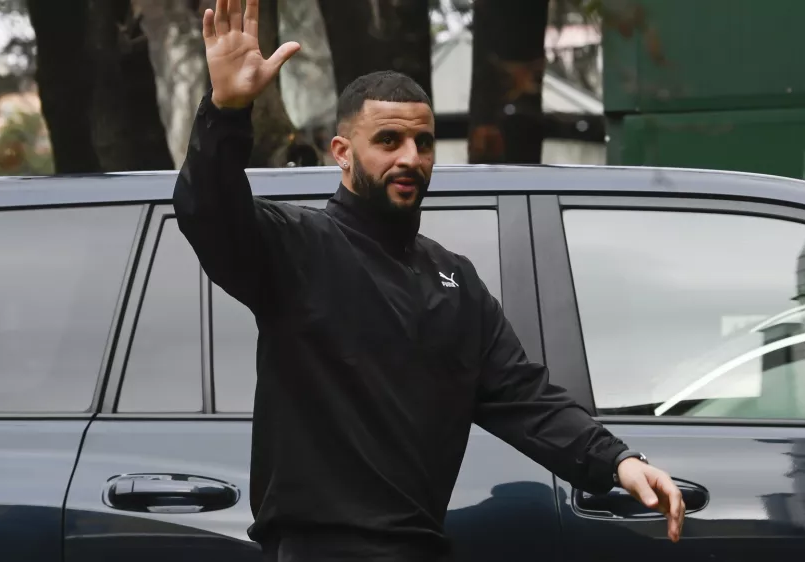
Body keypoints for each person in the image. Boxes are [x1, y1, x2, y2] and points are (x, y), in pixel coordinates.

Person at [174, 1, 685, 560]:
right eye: (388, 141)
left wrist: (618, 461)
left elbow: (525, 397)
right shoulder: (296, 246)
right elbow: (209, 212)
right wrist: (226, 110)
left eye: (423, 143)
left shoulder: (455, 282)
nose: (411, 158)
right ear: (343, 153)